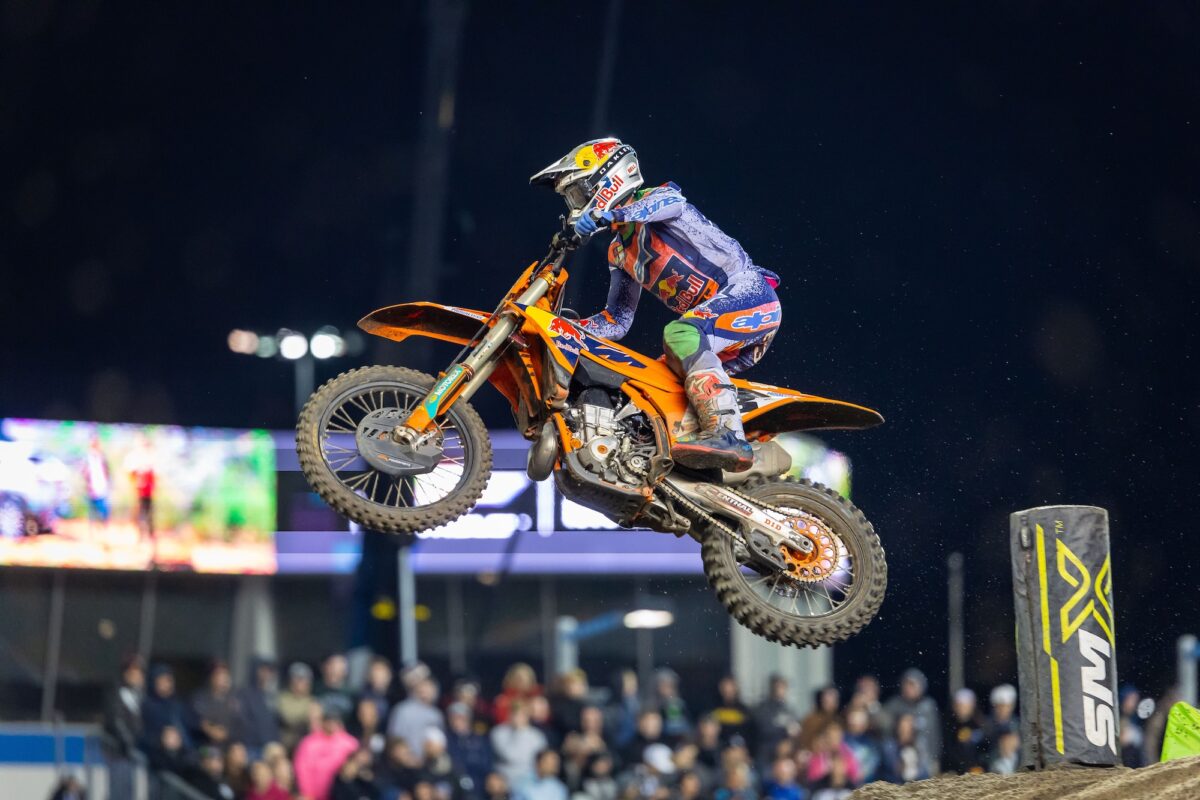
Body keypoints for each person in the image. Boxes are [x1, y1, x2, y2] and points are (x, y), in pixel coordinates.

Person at [531, 138, 782, 472]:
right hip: (711, 331)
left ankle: (728, 434)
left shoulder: (660, 198)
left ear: (609, 179)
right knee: (653, 383)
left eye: (578, 193)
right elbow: (617, 320)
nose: (577, 204)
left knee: (680, 332)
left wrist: (611, 214)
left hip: (750, 293)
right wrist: (567, 328)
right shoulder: (619, 252)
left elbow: (661, 207)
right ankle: (681, 469)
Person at [294, 706, 360, 800]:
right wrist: (307, 793)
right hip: (312, 795)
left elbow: (355, 766)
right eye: (329, 721)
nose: (331, 725)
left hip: (340, 794)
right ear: (323, 722)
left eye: (335, 722)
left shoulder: (350, 743)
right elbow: (301, 768)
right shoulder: (309, 742)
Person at [880, 669, 940, 773]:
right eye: (906, 684)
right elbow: (883, 724)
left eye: (912, 685)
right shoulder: (894, 704)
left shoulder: (928, 706)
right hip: (899, 751)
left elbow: (934, 734)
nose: (908, 688)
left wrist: (935, 757)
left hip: (924, 757)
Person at [103, 653, 145, 800]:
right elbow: (116, 720)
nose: (137, 676)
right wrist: (128, 743)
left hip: (136, 752)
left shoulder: (140, 695)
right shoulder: (117, 692)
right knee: (120, 790)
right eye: (134, 671)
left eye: (139, 671)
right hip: (119, 753)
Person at [491, 702, 549, 786]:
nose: (518, 717)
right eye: (515, 714)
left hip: (530, 780)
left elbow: (541, 761)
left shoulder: (537, 736)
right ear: (509, 714)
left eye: (522, 714)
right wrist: (519, 731)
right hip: (504, 779)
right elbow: (510, 756)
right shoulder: (498, 732)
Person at [389, 676, 446, 755]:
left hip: (429, 760)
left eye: (429, 687)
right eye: (423, 686)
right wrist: (408, 758)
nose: (426, 690)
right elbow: (394, 739)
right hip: (405, 759)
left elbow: (439, 742)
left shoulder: (436, 715)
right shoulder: (403, 710)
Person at [192, 660, 243, 747]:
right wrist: (211, 730)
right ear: (212, 677)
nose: (224, 679)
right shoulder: (201, 697)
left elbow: (239, 724)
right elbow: (198, 720)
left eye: (226, 675)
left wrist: (227, 733)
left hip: (229, 745)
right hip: (205, 745)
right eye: (220, 675)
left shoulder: (234, 698)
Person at [446, 701, 493, 797]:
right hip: (453, 783)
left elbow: (486, 763)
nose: (457, 721)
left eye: (461, 717)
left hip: (478, 783)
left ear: (468, 719)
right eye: (454, 718)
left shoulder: (479, 739)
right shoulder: (446, 739)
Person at [238, 657, 280, 758]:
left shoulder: (274, 696)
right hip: (250, 747)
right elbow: (243, 724)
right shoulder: (244, 694)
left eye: (270, 671)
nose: (266, 674)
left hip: (271, 747)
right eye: (263, 670)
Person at [753, 675, 799, 765]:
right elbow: (764, 730)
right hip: (766, 752)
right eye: (778, 687)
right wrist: (783, 730)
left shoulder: (788, 709)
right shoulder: (762, 709)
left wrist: (789, 740)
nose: (781, 690)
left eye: (783, 687)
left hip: (785, 753)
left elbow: (795, 730)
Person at [942, 688, 985, 775]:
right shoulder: (949, 726)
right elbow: (948, 750)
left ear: (972, 706)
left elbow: (984, 749)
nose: (962, 709)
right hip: (956, 772)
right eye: (959, 706)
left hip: (976, 771)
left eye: (965, 706)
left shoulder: (980, 725)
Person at [279, 662, 317, 750]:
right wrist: (305, 717)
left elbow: (315, 725)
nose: (300, 683)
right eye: (297, 679)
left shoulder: (312, 700)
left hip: (305, 744)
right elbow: (288, 717)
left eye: (304, 679)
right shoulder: (283, 698)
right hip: (285, 742)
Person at [710, 675, 753, 749]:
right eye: (725, 689)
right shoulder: (715, 709)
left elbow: (749, 733)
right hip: (719, 747)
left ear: (736, 689)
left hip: (739, 747)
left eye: (730, 689)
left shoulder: (744, 710)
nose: (728, 691)